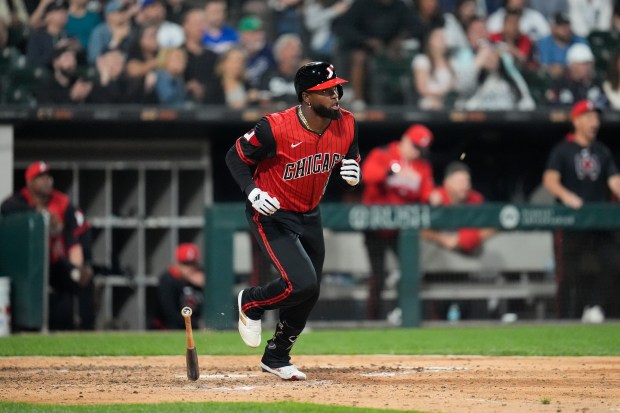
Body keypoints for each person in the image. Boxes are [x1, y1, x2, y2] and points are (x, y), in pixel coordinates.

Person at [225, 61, 360, 380]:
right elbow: (235, 156)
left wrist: (354, 170)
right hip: (271, 213)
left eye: (336, 88)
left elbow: (351, 153)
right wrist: (252, 191)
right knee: (301, 282)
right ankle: (252, 302)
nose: (336, 95)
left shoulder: (347, 122)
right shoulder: (274, 127)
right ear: (306, 97)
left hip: (310, 212)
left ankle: (277, 356)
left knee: (309, 290)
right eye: (326, 91)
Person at [542, 99, 620, 323]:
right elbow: (549, 180)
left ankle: (596, 307)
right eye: (589, 117)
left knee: (614, 262)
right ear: (576, 121)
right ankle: (565, 320)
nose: (594, 122)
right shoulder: (562, 150)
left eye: (596, 118)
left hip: (599, 221)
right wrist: (567, 196)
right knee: (568, 275)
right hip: (570, 221)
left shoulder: (602, 151)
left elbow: (615, 182)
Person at [0, 161, 92, 330]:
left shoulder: (61, 202)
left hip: (54, 260)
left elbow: (73, 237)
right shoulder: (19, 201)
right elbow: (5, 208)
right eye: (40, 177)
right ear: (29, 182)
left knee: (79, 279)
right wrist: (40, 212)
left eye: (47, 176)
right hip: (28, 264)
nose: (46, 180)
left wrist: (79, 267)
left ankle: (82, 330)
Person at [360, 124, 435, 319]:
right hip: (376, 227)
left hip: (401, 230)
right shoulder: (383, 154)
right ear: (404, 139)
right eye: (414, 146)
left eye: (420, 149)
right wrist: (393, 174)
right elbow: (367, 175)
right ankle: (372, 320)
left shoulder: (422, 166)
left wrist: (431, 194)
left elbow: (428, 193)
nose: (416, 151)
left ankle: (407, 315)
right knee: (379, 276)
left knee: (412, 272)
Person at [422, 161, 496, 254]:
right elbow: (418, 229)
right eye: (460, 182)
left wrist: (465, 239)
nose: (465, 185)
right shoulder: (436, 198)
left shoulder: (476, 199)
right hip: (439, 251)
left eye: (467, 181)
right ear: (447, 183)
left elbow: (494, 225)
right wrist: (441, 238)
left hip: (468, 252)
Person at [154, 243, 204, 330]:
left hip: (194, 328)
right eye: (186, 264)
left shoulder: (201, 278)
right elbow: (170, 315)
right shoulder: (168, 280)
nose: (190, 268)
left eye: (193, 263)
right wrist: (198, 324)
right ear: (177, 264)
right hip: (169, 329)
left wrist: (206, 287)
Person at [536, 12, 588, 79]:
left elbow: (587, 63)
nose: (565, 29)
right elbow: (544, 66)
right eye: (560, 25)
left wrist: (563, 69)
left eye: (567, 25)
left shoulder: (580, 41)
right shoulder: (544, 43)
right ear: (552, 28)